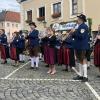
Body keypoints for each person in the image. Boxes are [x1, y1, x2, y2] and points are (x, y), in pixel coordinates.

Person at [71, 14, 89, 82]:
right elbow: (75, 36)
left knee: (83, 59)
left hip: (82, 46)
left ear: (81, 20)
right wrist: (72, 33)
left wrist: (74, 32)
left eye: (78, 19)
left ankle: (85, 76)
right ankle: (81, 75)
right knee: (79, 60)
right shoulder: (79, 27)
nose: (77, 20)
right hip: (78, 46)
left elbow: (81, 36)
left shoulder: (84, 26)